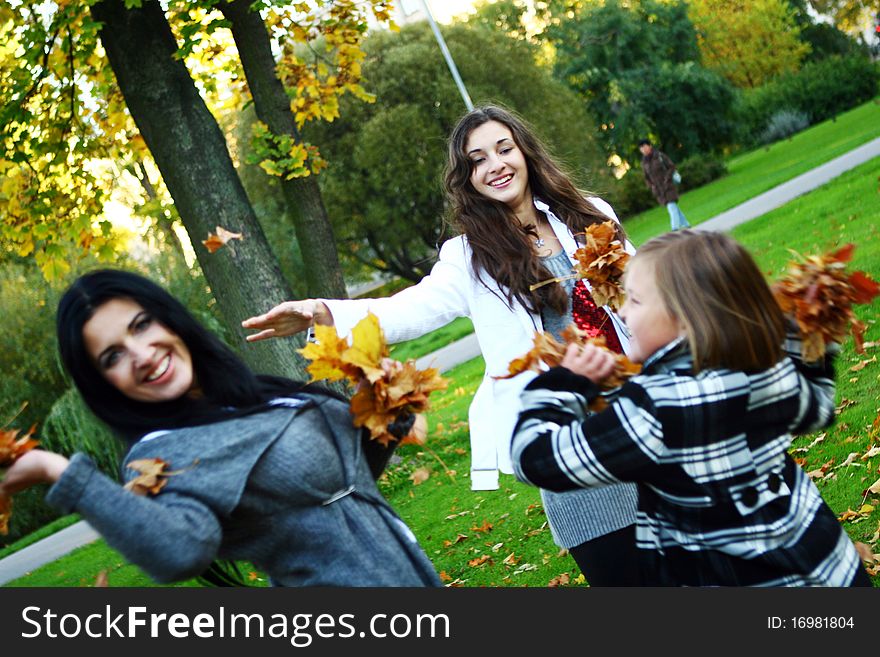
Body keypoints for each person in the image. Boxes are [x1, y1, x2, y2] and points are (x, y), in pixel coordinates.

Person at [242, 104, 642, 586]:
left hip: (639, 417)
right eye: (477, 160)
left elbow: (644, 296)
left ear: (525, 152)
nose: (494, 165)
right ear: (467, 178)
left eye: (503, 149)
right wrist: (323, 313)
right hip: (562, 440)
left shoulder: (591, 215)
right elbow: (410, 308)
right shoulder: (469, 255)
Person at [0, 269, 441, 587]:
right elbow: (180, 553)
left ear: (169, 319)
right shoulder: (159, 454)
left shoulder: (248, 395)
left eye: (141, 325)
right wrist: (60, 473)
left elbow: (347, 476)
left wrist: (386, 403)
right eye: (112, 356)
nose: (142, 353)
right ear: (102, 384)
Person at [511, 230, 872, 586]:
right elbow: (817, 408)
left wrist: (566, 383)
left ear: (683, 317)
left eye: (634, 301)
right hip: (829, 569)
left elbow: (535, 459)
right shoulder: (767, 363)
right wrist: (810, 338)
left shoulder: (657, 408)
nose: (621, 313)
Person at [638, 139, 690, 231]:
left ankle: (675, 228)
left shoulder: (659, 156)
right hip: (659, 190)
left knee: (671, 206)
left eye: (645, 146)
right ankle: (686, 224)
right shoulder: (644, 163)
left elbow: (671, 167)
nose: (643, 149)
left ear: (650, 146)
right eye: (641, 147)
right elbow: (647, 178)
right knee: (673, 207)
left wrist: (667, 178)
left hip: (668, 186)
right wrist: (652, 186)